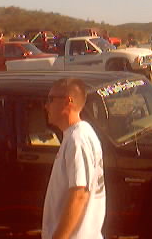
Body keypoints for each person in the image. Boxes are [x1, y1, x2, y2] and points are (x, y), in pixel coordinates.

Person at [43, 78, 106, 239]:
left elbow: (80, 194)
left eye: (50, 100)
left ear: (67, 101)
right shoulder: (74, 136)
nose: (46, 106)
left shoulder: (78, 139)